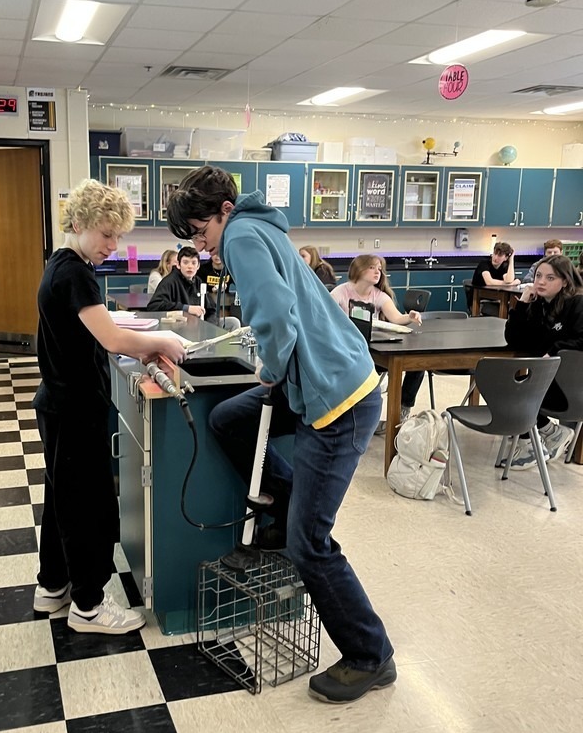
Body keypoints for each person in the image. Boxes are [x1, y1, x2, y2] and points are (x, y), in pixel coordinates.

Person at [166, 165, 395, 705]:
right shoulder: (260, 228)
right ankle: (288, 503)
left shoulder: (244, 234)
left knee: (310, 546)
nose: (203, 245)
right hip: (324, 382)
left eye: (201, 232)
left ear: (224, 211)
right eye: (193, 240)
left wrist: (270, 366)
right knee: (228, 419)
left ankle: (371, 654)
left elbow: (276, 317)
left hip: (337, 402)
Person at [32, 179, 186, 634]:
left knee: (61, 497)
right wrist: (161, 340)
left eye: (118, 236)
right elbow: (114, 338)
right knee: (87, 505)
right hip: (75, 407)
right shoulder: (75, 273)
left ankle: (53, 585)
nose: (113, 246)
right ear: (78, 223)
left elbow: (94, 331)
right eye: (105, 234)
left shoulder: (62, 266)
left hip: (59, 401)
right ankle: (89, 606)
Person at [503, 254, 583, 470]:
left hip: (570, 388)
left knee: (515, 391)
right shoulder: (539, 304)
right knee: (506, 386)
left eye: (550, 278)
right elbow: (514, 340)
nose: (540, 282)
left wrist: (555, 350)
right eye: (538, 276)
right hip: (546, 381)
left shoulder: (577, 303)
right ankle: (548, 433)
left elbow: (580, 340)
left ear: (565, 281)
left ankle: (532, 444)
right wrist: (522, 304)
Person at [330, 254, 424, 426]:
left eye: (379, 269)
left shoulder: (378, 295)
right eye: (372, 267)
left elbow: (396, 318)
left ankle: (403, 408)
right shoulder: (340, 292)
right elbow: (326, 318)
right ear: (358, 269)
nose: (377, 272)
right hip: (349, 351)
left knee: (418, 364)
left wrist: (409, 317)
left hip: (374, 350)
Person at [147, 245, 218, 323]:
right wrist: (186, 308)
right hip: (178, 326)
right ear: (178, 264)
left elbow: (211, 309)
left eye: (194, 263)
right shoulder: (169, 282)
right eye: (185, 262)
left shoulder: (198, 281)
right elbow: (154, 306)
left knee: (232, 322)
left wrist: (209, 326)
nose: (190, 266)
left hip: (199, 325)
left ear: (198, 266)